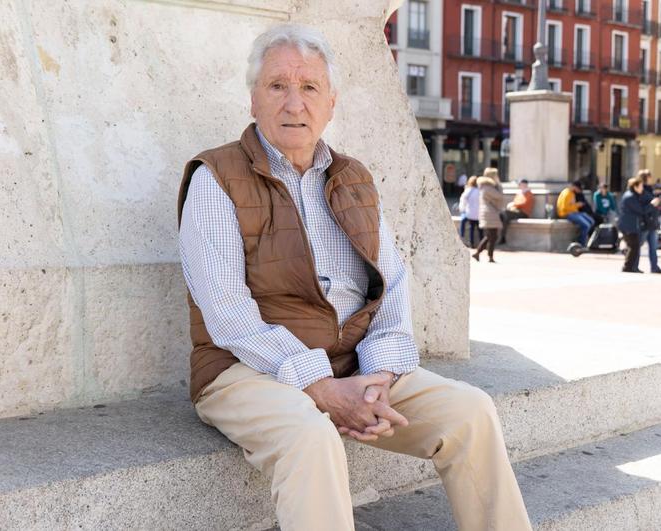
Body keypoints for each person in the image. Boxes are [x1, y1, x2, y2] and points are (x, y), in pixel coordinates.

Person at [177, 24, 531, 531]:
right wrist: (320, 387)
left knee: (470, 411)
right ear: (254, 99)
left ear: (331, 103)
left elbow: (392, 283)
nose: (294, 104)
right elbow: (229, 316)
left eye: (309, 88)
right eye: (278, 86)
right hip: (244, 370)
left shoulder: (353, 178)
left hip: (351, 366)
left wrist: (378, 379)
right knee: (309, 432)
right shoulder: (215, 178)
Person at [618, 177, 656, 272]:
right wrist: (652, 204)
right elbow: (641, 210)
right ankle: (628, 267)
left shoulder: (634, 195)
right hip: (629, 226)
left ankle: (629, 267)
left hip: (632, 225)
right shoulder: (630, 197)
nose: (642, 188)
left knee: (633, 246)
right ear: (635, 187)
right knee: (634, 246)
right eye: (640, 186)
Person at [472, 168, 506, 263]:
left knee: (490, 236)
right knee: (492, 236)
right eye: (496, 175)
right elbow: (499, 196)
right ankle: (487, 255)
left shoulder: (486, 186)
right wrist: (499, 185)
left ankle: (480, 253)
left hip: (489, 212)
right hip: (490, 212)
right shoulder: (488, 186)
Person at [557, 180, 594, 246]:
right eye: (579, 189)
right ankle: (581, 243)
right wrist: (577, 205)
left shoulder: (572, 193)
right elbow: (564, 207)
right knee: (586, 225)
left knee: (591, 221)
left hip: (574, 212)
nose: (579, 191)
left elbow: (572, 205)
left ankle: (581, 238)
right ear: (574, 187)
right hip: (566, 214)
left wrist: (576, 206)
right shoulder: (567, 193)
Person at [638, 170, 661, 273]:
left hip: (652, 222)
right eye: (649, 176)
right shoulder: (641, 190)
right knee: (638, 245)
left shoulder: (649, 189)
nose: (651, 178)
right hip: (646, 222)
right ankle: (633, 265)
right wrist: (653, 202)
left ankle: (654, 267)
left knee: (653, 247)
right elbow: (644, 206)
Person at [499, 179, 534, 245]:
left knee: (505, 214)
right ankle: (502, 236)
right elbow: (516, 202)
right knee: (503, 215)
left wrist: (514, 204)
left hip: (524, 213)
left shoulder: (529, 193)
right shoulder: (520, 193)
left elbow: (524, 203)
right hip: (516, 211)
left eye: (520, 184)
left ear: (524, 184)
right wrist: (513, 205)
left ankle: (502, 236)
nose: (519, 186)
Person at [458, 175, 482, 246]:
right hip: (479, 214)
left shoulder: (468, 191)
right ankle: (481, 243)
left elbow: (463, 202)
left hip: (470, 213)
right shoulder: (480, 191)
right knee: (480, 229)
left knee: (471, 227)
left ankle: (467, 240)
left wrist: (462, 210)